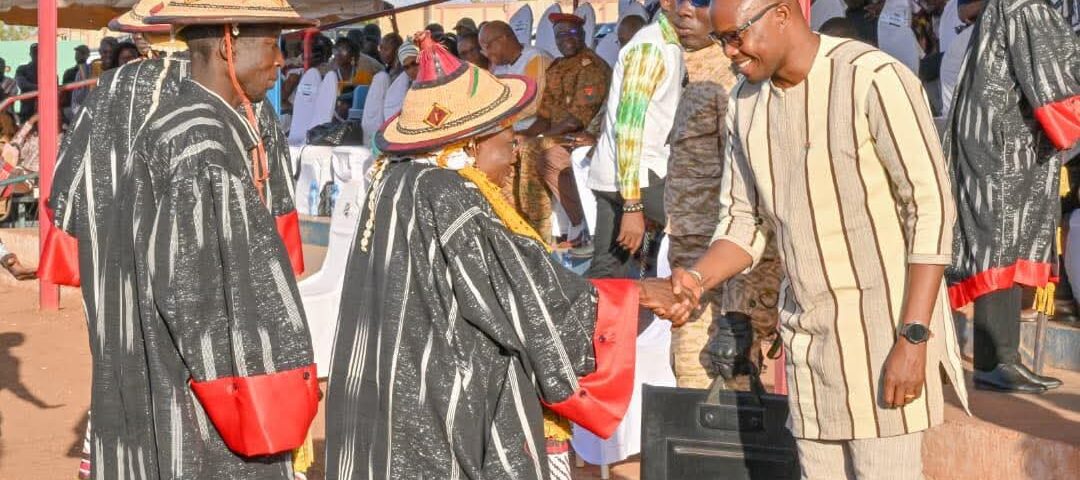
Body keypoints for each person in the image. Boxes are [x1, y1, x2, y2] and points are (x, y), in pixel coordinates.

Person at [324, 31, 679, 479]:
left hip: (390, 393)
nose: (514, 156)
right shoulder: (453, 196)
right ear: (471, 145)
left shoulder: (394, 180)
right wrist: (638, 296)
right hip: (440, 410)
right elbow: (527, 297)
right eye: (508, 142)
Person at [661, 0, 969, 476]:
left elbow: (930, 210)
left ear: (782, 14)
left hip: (884, 341)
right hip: (809, 346)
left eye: (736, 36)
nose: (729, 53)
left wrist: (913, 337)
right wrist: (698, 279)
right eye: (722, 40)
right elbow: (743, 224)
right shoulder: (745, 103)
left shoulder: (871, 78)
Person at [47, 1, 317, 477]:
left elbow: (69, 192)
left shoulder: (125, 94)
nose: (282, 62)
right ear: (228, 42)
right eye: (274, 45)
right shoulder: (208, 137)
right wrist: (281, 373)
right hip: (205, 366)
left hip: (121, 292)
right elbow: (209, 306)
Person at [945, 0, 1078, 393]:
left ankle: (1002, 359)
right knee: (998, 247)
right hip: (1005, 148)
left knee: (999, 247)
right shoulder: (1026, 5)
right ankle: (997, 360)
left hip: (1000, 142)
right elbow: (1054, 81)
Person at [662, 0, 781, 388]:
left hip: (726, 273)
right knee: (690, 380)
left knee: (725, 384)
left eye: (698, 2)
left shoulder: (733, 79)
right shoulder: (692, 70)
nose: (682, 11)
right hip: (692, 270)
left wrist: (738, 312)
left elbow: (752, 202)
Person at [587, 1, 685, 279]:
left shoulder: (669, 43)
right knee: (701, 231)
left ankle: (599, 321)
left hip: (621, 175)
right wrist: (633, 205)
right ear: (666, 4)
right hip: (639, 176)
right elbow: (629, 128)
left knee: (608, 270)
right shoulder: (650, 48)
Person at [516, 13, 611, 251]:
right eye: (560, 35)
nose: (565, 39)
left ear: (583, 35)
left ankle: (575, 225)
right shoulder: (557, 68)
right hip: (560, 134)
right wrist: (527, 134)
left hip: (585, 136)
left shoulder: (592, 67)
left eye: (571, 33)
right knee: (516, 147)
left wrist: (540, 138)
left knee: (543, 154)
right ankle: (526, 225)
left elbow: (577, 119)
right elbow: (545, 116)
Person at [480, 20, 555, 238]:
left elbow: (534, 105)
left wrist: (500, 122)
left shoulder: (535, 59)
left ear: (504, 38)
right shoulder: (498, 67)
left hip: (535, 129)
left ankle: (535, 232)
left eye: (488, 45)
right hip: (507, 133)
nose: (486, 52)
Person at [361, 33, 405, 141]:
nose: (381, 52)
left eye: (386, 49)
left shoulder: (401, 74)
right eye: (381, 48)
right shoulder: (387, 71)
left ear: (396, 50)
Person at [14, 44, 37, 123]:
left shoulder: (49, 69)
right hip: (27, 110)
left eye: (38, 52)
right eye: (35, 52)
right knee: (25, 132)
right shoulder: (22, 69)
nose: (37, 54)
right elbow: (22, 84)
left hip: (45, 109)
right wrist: (41, 88)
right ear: (30, 54)